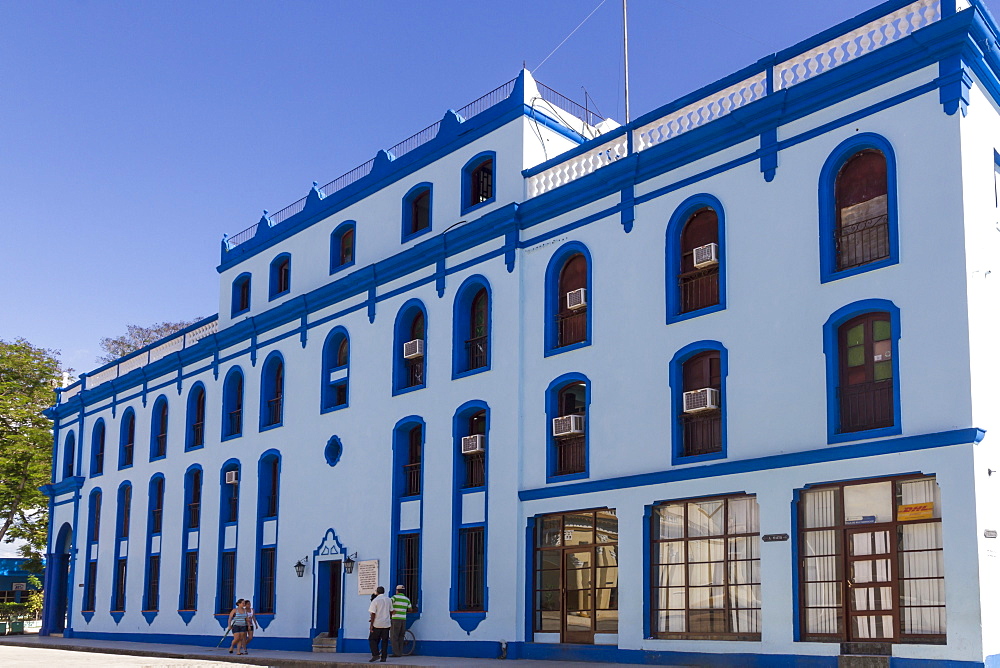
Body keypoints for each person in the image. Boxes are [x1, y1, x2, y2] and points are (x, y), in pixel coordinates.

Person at [368, 586, 392, 662]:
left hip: (377, 623)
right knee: (385, 641)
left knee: (372, 639)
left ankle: (375, 655)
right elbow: (391, 611)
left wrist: (371, 624)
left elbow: (373, 614)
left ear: (377, 592)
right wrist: (388, 618)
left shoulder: (375, 601)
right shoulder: (389, 600)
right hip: (386, 623)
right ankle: (384, 657)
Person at [389, 584, 413, 657]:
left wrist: (392, 610)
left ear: (397, 591)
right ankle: (400, 652)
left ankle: (396, 653)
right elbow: (410, 609)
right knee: (401, 636)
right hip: (403, 619)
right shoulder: (407, 599)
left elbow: (389, 603)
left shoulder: (394, 598)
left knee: (394, 636)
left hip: (395, 618)